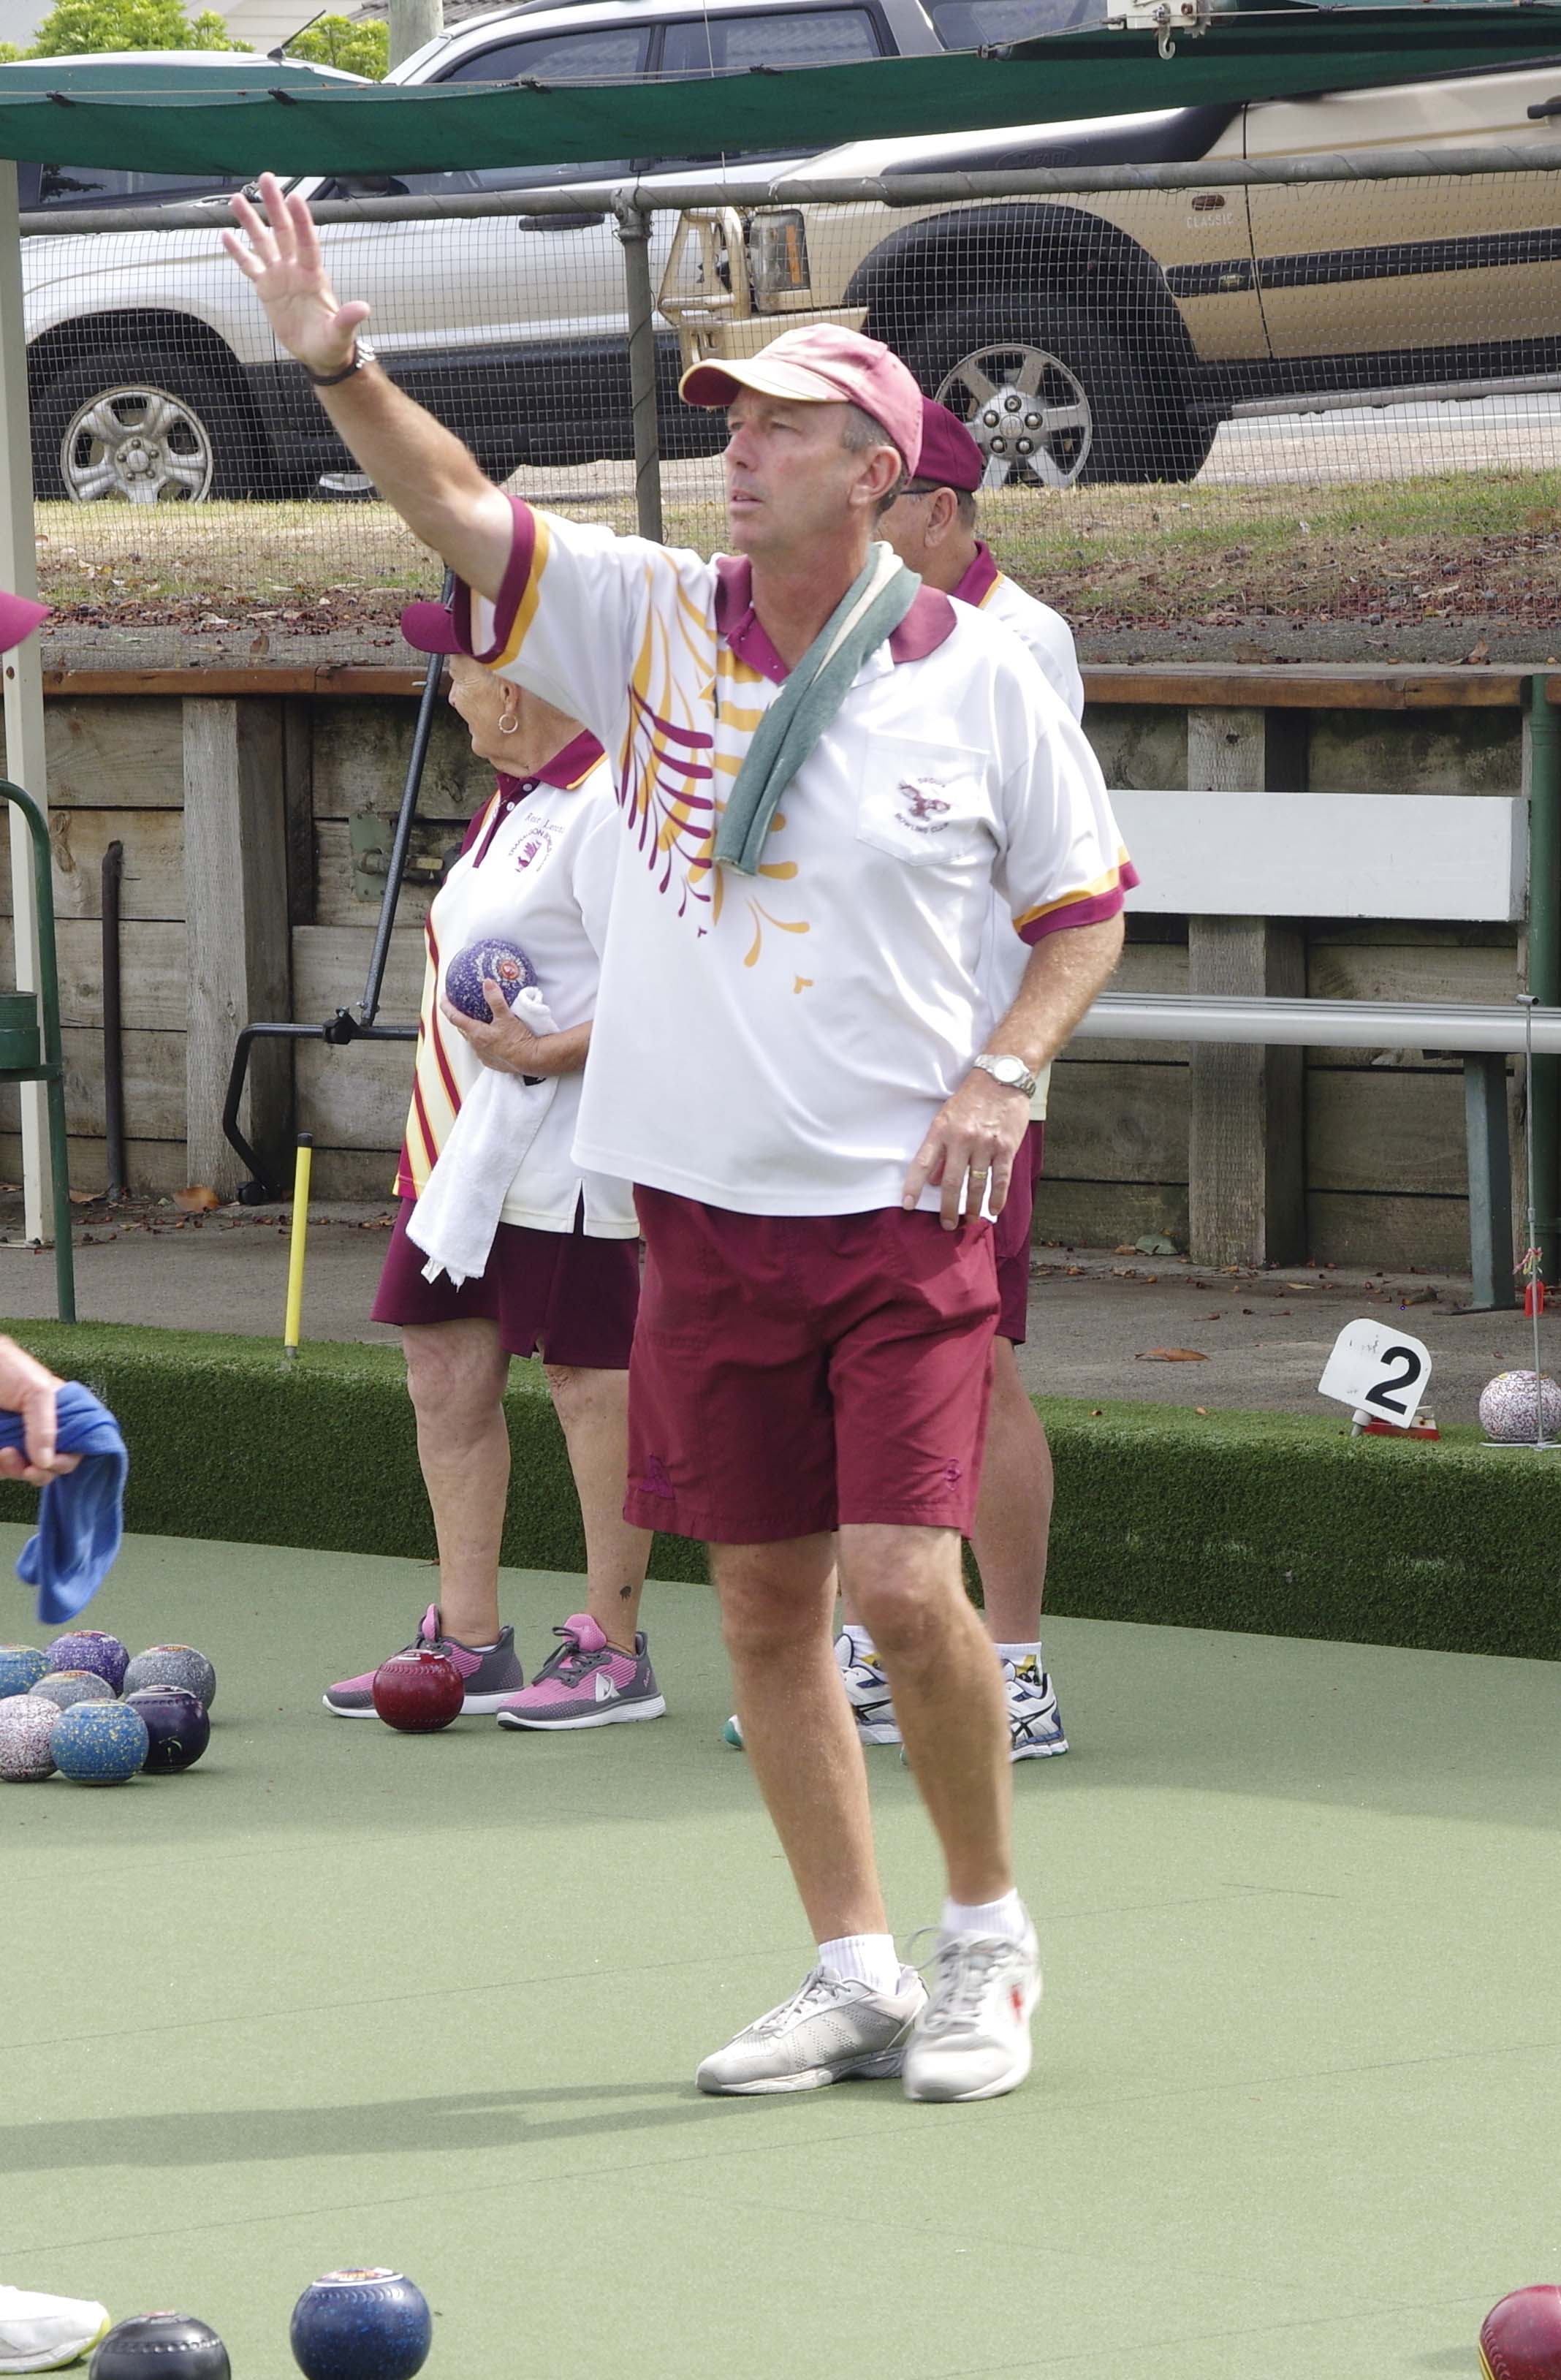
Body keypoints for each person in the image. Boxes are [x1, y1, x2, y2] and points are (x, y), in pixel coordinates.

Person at [222, 178, 1133, 2104]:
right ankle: (852, 1966)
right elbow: (460, 510)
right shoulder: (645, 624)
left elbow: (1083, 914)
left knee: (904, 1583)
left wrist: (1011, 1071)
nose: (739, 449)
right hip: (701, 1219)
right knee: (769, 1608)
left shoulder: (982, 672)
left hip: (903, 1208)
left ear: (879, 469)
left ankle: (989, 1938)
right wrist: (339, 363)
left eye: (783, 424)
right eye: (727, 419)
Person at [324, 615, 663, 1732]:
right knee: (441, 1372)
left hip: (569, 1158)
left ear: (513, 696)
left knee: (589, 1384)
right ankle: (472, 1640)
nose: (449, 688)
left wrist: (541, 1054)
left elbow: (669, 1000)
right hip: (461, 1153)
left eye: (460, 671)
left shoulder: (614, 804)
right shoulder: (513, 804)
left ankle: (615, 1651)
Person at [824, 398, 1087, 1761]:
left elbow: (1045, 890)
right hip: (863, 1076)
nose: (852, 527)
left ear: (938, 508)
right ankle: (884, 1644)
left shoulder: (1018, 642)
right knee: (861, 1356)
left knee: (970, 1362)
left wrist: (996, 1068)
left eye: (877, 504)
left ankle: (1019, 1668)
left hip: (978, 1072)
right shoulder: (856, 626)